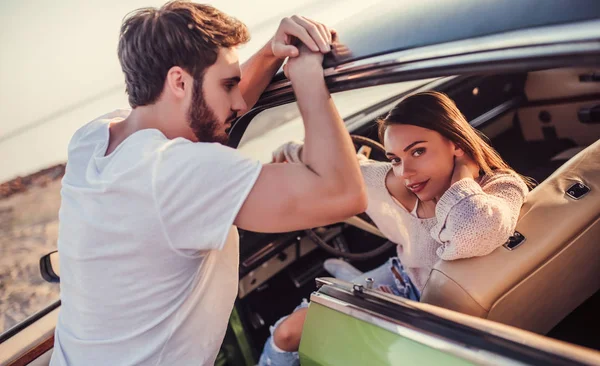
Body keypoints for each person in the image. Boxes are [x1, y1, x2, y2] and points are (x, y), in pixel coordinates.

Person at [51, 2, 367, 365]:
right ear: (178, 81)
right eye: (228, 84)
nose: (238, 102)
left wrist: (270, 53)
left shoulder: (93, 139)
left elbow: (204, 113)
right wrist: (307, 77)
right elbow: (344, 192)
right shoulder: (171, 172)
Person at [261, 91, 531, 366]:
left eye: (418, 151)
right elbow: (343, 168)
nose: (406, 172)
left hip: (436, 315)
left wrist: (462, 174)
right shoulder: (395, 183)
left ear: (456, 143)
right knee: (286, 334)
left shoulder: (503, 186)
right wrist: (289, 151)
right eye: (395, 158)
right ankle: (354, 283)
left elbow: (471, 232)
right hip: (402, 278)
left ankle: (352, 283)